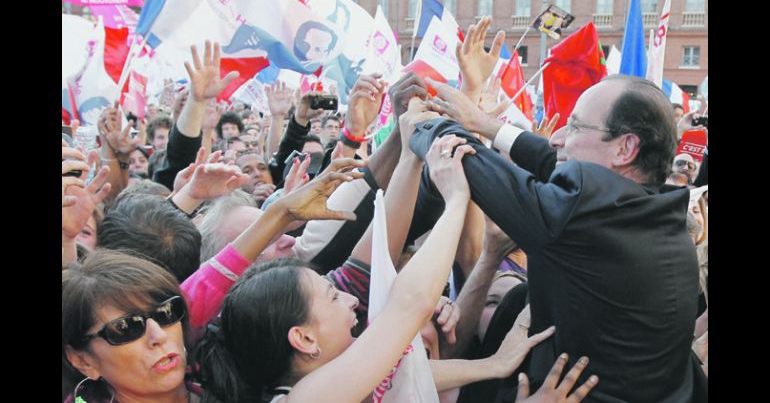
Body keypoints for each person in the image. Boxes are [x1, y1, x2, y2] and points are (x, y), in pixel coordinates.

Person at [193, 132, 587, 402]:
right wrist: (455, 199)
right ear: (304, 339)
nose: (350, 298)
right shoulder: (306, 398)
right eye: (332, 295)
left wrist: (491, 365)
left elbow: (404, 374)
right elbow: (409, 304)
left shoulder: (327, 377)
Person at [418, 64, 704, 399]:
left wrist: (423, 124)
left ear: (625, 148)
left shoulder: (582, 213)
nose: (556, 138)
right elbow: (557, 163)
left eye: (575, 125)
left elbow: (468, 160)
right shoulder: (656, 211)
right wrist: (486, 125)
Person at [62, 250, 196, 403]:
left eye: (165, 313)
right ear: (83, 361)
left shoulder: (223, 379)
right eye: (126, 327)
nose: (159, 335)